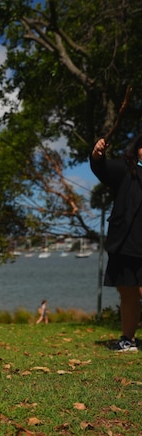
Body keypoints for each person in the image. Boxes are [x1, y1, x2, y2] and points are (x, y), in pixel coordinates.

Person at [90, 133, 142, 351]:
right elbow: (102, 170)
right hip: (125, 242)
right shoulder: (126, 169)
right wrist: (97, 155)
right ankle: (127, 340)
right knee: (127, 291)